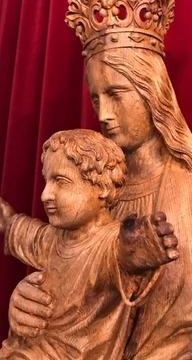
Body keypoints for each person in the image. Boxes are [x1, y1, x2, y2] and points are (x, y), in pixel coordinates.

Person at [6, 0, 192, 360]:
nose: (103, 113)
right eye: (96, 97)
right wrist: (29, 303)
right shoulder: (90, 186)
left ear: (152, 92)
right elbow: (65, 270)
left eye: (117, 94)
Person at [0, 129, 179, 359]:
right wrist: (5, 219)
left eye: (60, 181)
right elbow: (25, 232)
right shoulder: (55, 237)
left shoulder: (107, 242)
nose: (45, 195)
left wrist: (143, 245)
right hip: (33, 350)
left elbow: (123, 254)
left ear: (102, 187)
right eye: (46, 181)